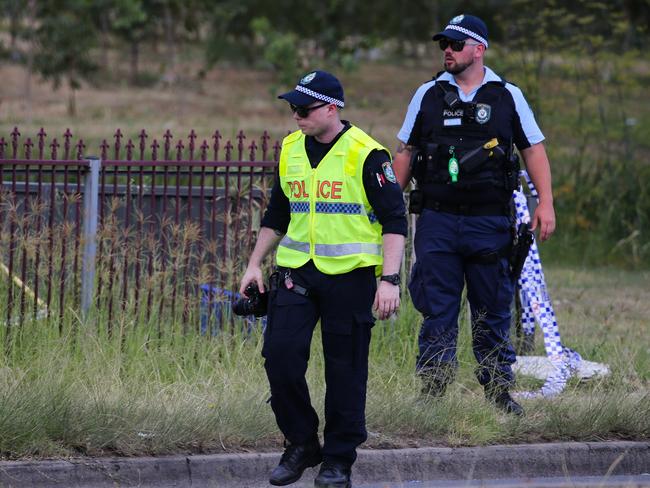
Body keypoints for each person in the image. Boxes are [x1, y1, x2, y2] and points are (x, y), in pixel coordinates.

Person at [239, 70, 406, 487]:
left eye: (304, 108)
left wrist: (389, 279)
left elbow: (394, 220)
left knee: (345, 372)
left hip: (350, 278)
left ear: (331, 109)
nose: (296, 116)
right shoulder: (291, 148)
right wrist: (255, 264)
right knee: (280, 357)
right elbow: (278, 213)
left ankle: (337, 461)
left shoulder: (368, 154)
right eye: (292, 107)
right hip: (297, 271)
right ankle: (300, 443)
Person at [392, 14, 556, 416]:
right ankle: (432, 393)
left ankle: (499, 393)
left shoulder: (507, 95)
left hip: (489, 221)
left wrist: (545, 202)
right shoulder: (428, 94)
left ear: (478, 49)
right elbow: (406, 152)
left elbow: (532, 150)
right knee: (437, 309)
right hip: (438, 220)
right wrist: (389, 204)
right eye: (443, 44)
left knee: (492, 308)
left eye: (455, 43)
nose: (446, 50)